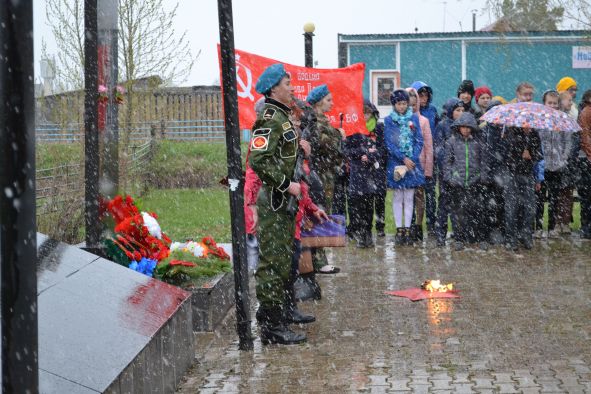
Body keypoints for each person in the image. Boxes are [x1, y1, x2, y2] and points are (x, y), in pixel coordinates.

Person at [248, 63, 306, 345]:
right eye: (287, 83)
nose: (291, 88)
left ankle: (279, 316)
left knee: (282, 260)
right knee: (272, 262)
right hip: (274, 201)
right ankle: (271, 327)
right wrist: (286, 184)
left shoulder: (282, 117)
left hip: (283, 203)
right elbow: (258, 159)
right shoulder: (269, 118)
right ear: (273, 88)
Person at [304, 84, 344, 274]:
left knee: (320, 212)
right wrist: (339, 135)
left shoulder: (321, 121)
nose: (332, 103)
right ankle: (318, 261)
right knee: (319, 213)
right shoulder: (315, 122)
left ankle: (316, 259)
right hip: (318, 176)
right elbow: (324, 145)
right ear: (319, 102)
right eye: (328, 100)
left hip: (324, 175)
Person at [384, 89, 424, 245]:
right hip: (396, 162)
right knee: (398, 197)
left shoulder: (413, 118)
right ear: (394, 105)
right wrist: (403, 158)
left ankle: (407, 228)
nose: (402, 106)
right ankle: (399, 229)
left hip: (412, 164)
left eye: (404, 103)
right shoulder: (389, 120)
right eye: (399, 104)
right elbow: (389, 143)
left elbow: (419, 141)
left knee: (409, 196)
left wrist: (411, 158)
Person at [443, 112, 486, 251]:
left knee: (476, 210)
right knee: (458, 212)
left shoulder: (478, 143)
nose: (466, 130)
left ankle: (476, 237)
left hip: (475, 182)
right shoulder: (451, 142)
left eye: (469, 127)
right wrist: (450, 178)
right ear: (458, 127)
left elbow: (483, 162)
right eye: (463, 127)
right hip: (457, 183)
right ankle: (459, 238)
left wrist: (480, 176)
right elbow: (447, 162)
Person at [537, 90, 575, 238]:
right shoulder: (539, 120)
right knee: (540, 199)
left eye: (555, 103)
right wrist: (538, 159)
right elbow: (536, 141)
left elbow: (567, 141)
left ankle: (552, 227)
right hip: (542, 166)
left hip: (557, 166)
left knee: (554, 198)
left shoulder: (563, 119)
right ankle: (539, 227)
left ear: (558, 104)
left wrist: (563, 159)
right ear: (544, 103)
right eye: (549, 103)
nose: (552, 106)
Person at [344, 105, 382, 248]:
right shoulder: (353, 129)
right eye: (363, 113)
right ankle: (361, 234)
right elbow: (346, 149)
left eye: (368, 113)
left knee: (369, 206)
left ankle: (368, 233)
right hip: (357, 173)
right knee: (358, 206)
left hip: (372, 174)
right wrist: (362, 152)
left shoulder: (377, 129)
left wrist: (372, 156)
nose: (366, 116)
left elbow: (382, 149)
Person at [501, 126, 543, 251]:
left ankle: (526, 235)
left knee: (530, 208)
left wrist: (531, 155)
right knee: (511, 208)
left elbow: (539, 155)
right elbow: (505, 154)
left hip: (528, 175)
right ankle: (510, 238)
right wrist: (520, 153)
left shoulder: (535, 134)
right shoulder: (511, 132)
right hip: (512, 174)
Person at [433, 98, 465, 246]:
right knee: (444, 203)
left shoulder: (464, 127)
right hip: (446, 172)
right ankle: (440, 234)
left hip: (460, 172)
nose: (460, 113)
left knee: (458, 205)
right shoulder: (442, 126)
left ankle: (458, 235)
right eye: (458, 110)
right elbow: (439, 149)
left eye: (462, 110)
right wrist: (448, 165)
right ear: (451, 111)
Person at [410, 81, 439, 235]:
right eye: (420, 95)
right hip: (414, 159)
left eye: (426, 95)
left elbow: (435, 132)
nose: (423, 98)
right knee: (413, 195)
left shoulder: (433, 111)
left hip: (429, 156)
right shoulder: (410, 114)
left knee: (430, 193)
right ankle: (413, 225)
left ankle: (431, 223)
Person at [406, 87, 433, 242]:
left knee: (419, 196)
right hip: (404, 165)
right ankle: (406, 225)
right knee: (405, 197)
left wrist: (427, 169)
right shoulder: (399, 121)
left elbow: (428, 147)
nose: (411, 105)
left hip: (420, 165)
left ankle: (418, 225)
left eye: (413, 101)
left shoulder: (423, 121)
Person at [577, 89, 591, 239]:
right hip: (586, 159)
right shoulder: (587, 112)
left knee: (586, 195)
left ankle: (586, 226)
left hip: (586, 159)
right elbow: (585, 136)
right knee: (586, 194)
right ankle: (586, 227)